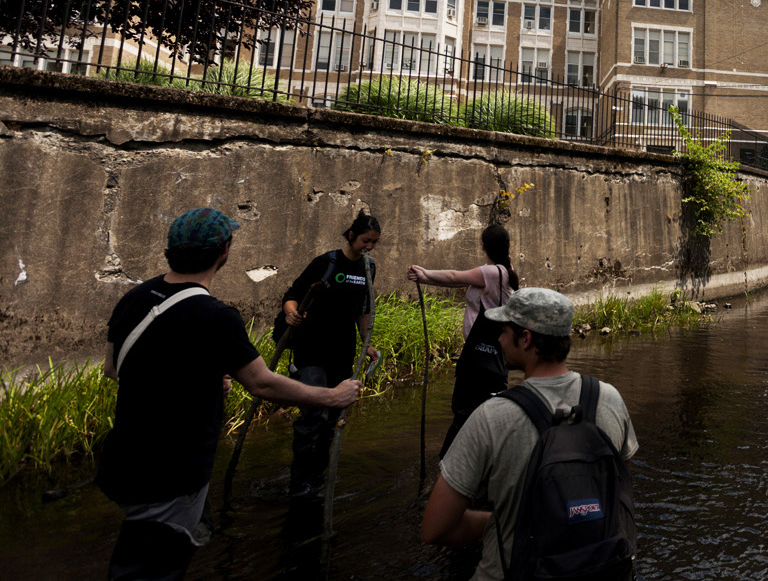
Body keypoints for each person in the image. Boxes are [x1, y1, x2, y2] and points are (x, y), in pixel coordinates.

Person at [99, 208, 362, 580]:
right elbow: (262, 383)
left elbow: (113, 369)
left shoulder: (137, 295)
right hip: (172, 469)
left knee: (139, 553)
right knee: (151, 569)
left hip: (123, 459)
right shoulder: (215, 315)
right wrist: (332, 397)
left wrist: (200, 378)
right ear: (225, 250)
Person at [421, 288, 638, 580]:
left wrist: (501, 522)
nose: (498, 339)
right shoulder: (610, 399)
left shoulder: (491, 416)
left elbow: (435, 527)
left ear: (525, 338)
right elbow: (619, 487)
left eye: (504, 330)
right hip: (600, 567)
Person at [280, 211, 381, 498]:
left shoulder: (369, 269)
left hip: (342, 351)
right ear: (351, 235)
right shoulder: (327, 262)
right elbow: (292, 294)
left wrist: (367, 343)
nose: (369, 247)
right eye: (365, 240)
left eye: (374, 243)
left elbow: (364, 310)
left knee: (331, 419)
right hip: (312, 347)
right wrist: (291, 314)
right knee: (312, 414)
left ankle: (318, 477)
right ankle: (299, 483)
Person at [406, 223, 518, 456]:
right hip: (490, 353)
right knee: (484, 408)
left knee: (465, 411)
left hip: (479, 356)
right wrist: (425, 277)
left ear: (484, 246)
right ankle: (483, 458)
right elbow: (458, 280)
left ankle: (448, 465)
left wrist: (425, 273)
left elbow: (454, 276)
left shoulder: (491, 272)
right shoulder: (503, 271)